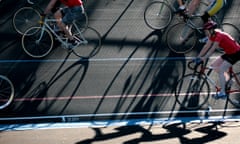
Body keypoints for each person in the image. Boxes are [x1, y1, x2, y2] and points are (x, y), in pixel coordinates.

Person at [193, 21, 240, 99]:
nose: (205, 33)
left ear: (211, 30)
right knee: (214, 66)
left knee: (221, 70)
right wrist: (198, 57)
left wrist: (203, 58)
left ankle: (222, 93)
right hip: (229, 53)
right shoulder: (213, 35)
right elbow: (206, 46)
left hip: (236, 53)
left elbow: (212, 49)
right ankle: (229, 81)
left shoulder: (218, 36)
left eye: (206, 31)